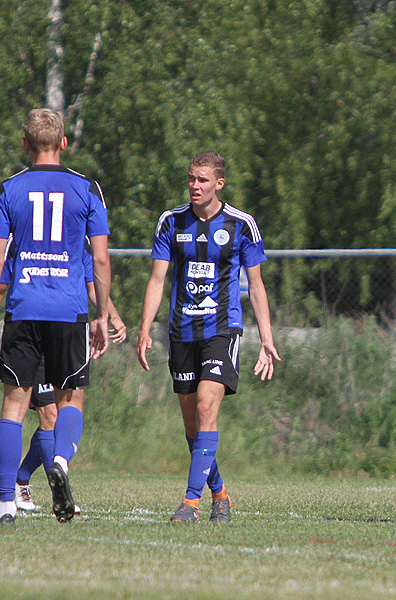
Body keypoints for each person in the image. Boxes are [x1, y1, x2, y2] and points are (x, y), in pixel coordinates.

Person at [0, 108, 111, 524]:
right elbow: (101, 259)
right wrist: (102, 314)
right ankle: (62, 465)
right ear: (63, 144)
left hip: (24, 308)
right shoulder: (88, 189)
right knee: (71, 399)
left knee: (13, 407)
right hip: (69, 310)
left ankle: (4, 505)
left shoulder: (8, 190)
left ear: (25, 145)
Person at [137, 150, 280, 523]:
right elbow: (156, 280)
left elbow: (257, 285)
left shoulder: (241, 224)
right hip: (181, 331)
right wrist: (144, 329)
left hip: (222, 329)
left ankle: (190, 504)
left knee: (205, 406)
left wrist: (266, 338)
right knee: (192, 424)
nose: (194, 185)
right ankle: (219, 493)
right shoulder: (171, 222)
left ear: (219, 183)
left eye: (202, 180)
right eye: (190, 178)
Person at [0, 247, 127, 513]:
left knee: (54, 414)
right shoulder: (25, 237)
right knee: (47, 414)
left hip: (55, 325)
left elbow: (92, 283)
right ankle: (57, 491)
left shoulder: (73, 239)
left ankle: (21, 480)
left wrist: (111, 316)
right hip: (34, 325)